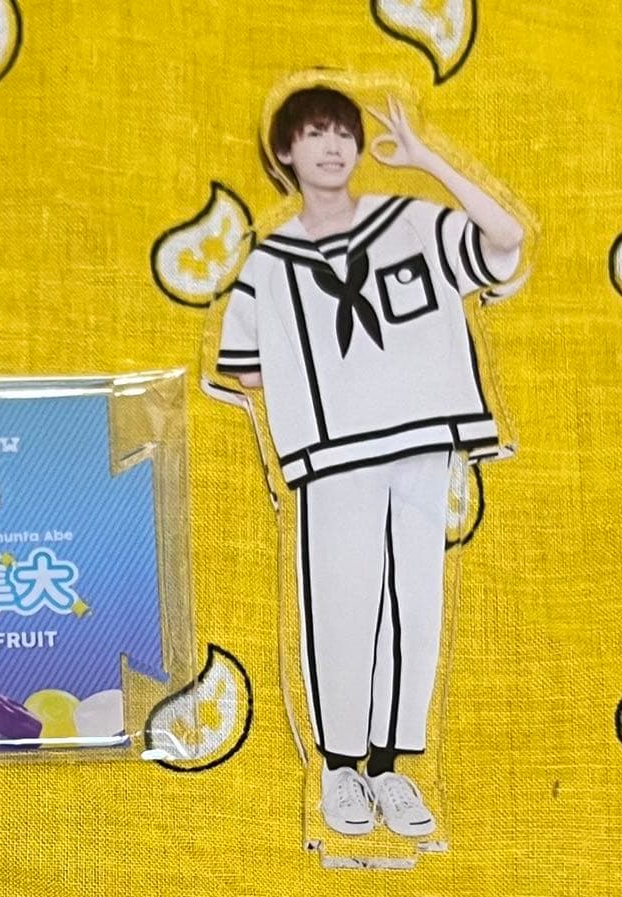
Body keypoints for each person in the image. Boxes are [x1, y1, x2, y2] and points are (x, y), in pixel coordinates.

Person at [217, 85, 523, 837]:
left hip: (422, 441)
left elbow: (506, 238)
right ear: (284, 151)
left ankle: (388, 767)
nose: (332, 147)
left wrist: (426, 161)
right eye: (314, 134)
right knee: (338, 602)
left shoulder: (410, 222)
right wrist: (328, 400)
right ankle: (338, 767)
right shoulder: (269, 263)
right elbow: (245, 368)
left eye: (343, 134)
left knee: (414, 603)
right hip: (332, 458)